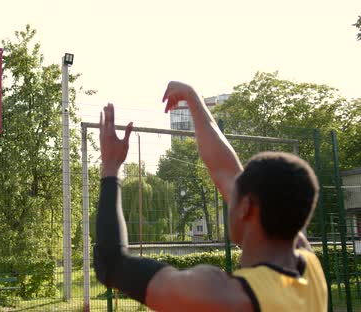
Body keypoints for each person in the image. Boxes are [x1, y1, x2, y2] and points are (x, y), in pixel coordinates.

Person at [93, 81, 328, 312]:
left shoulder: (225, 297)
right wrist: (194, 100)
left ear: (246, 207)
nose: (227, 193)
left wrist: (111, 167)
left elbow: (111, 263)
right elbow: (226, 170)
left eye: (233, 194)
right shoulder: (310, 269)